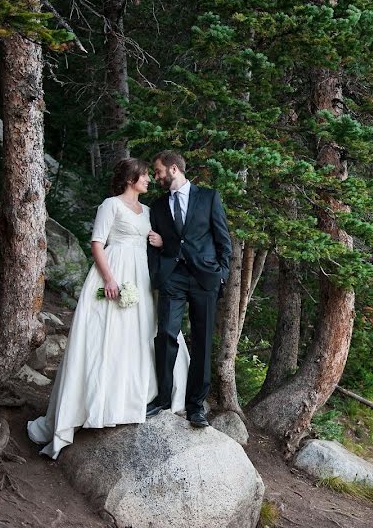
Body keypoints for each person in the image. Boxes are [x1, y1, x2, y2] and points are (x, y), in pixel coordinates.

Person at [28, 158, 189, 458]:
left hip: (141, 278)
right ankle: (95, 405)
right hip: (115, 271)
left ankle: (132, 399)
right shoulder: (110, 205)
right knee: (107, 336)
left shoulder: (150, 212)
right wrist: (109, 279)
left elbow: (158, 240)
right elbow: (97, 243)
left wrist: (157, 241)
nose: (149, 180)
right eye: (144, 176)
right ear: (130, 178)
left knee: (138, 336)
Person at [146, 150, 231, 428]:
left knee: (203, 342)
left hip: (205, 278)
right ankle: (163, 399)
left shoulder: (208, 197)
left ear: (173, 169)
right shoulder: (158, 207)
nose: (156, 176)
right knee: (166, 336)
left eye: (158, 171)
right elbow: (164, 243)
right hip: (173, 278)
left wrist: (222, 274)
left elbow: (223, 239)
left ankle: (196, 407)